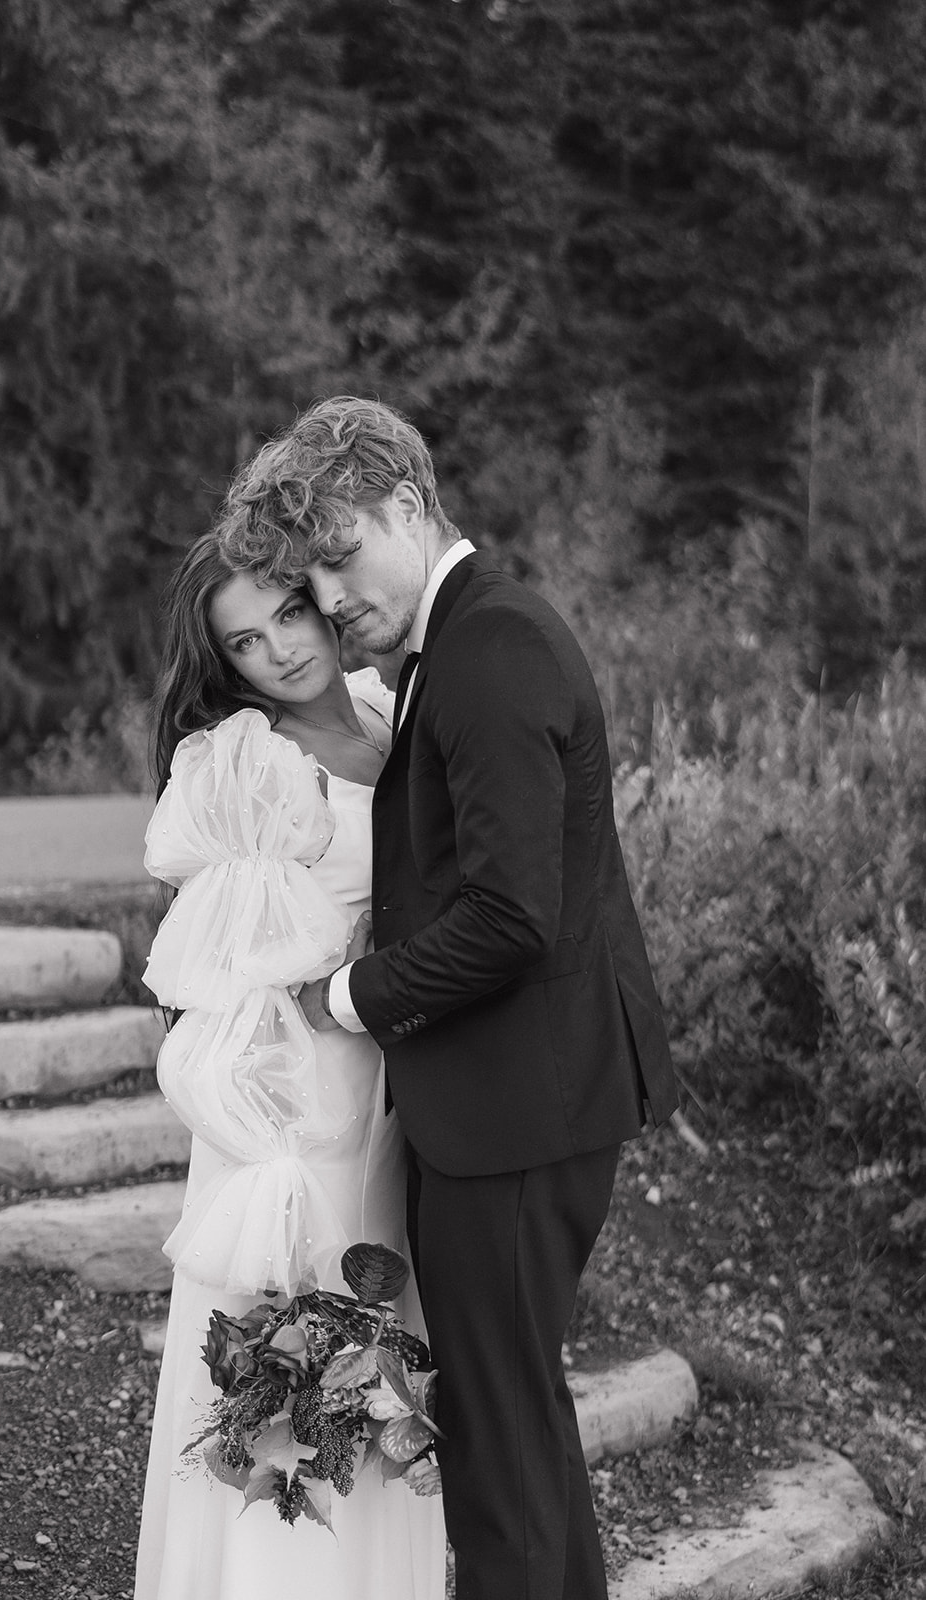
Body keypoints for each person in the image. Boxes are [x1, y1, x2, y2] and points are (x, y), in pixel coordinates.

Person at [221, 396, 680, 1600]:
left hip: (519, 1112)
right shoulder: (452, 646)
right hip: (506, 1107)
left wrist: (349, 993)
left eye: (339, 554)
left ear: (411, 507)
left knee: (496, 1455)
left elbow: (511, 917)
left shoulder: (492, 646)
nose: (328, 598)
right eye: (308, 578)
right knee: (511, 1435)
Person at [133, 532, 446, 1600]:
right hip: (291, 1116)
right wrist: (268, 1145)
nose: (280, 649)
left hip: (381, 1106)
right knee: (284, 1392)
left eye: (290, 614)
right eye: (246, 640)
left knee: (375, 1383)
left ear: (321, 600)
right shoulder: (251, 760)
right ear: (225, 662)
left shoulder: (377, 706)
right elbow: (222, 983)